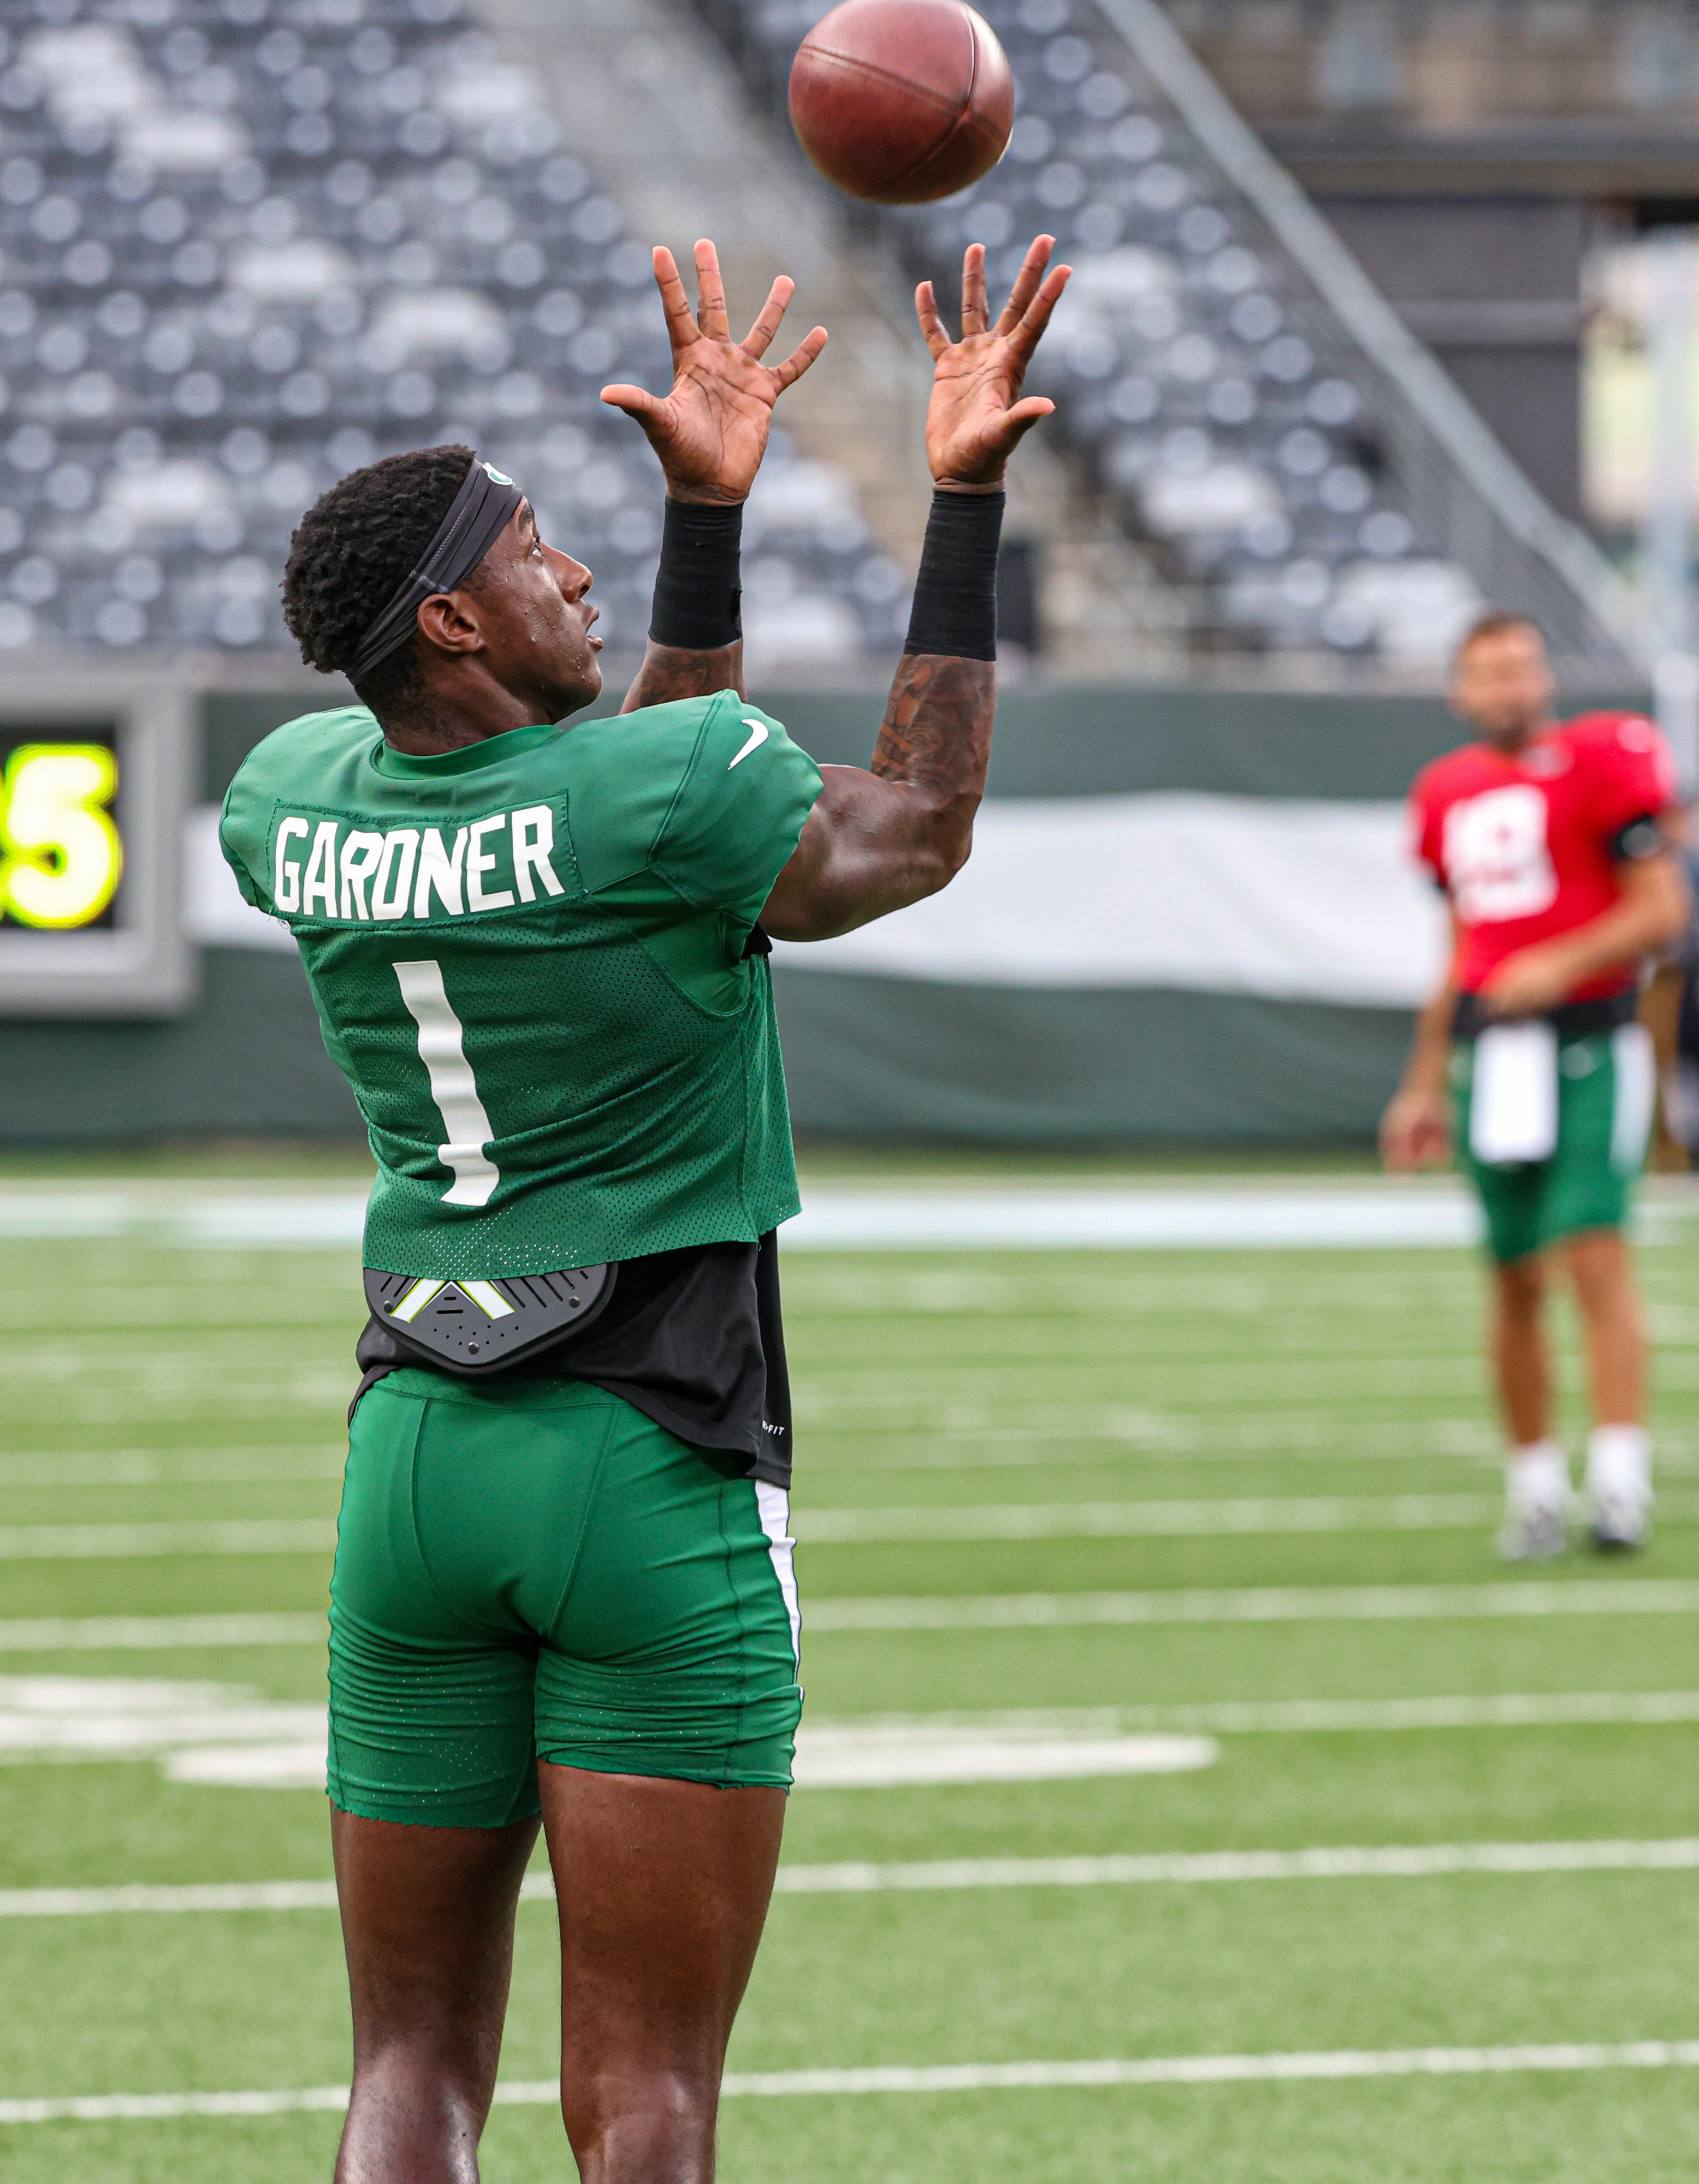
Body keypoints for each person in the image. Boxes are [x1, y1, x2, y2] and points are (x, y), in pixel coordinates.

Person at [219, 232, 1068, 2183]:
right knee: (650, 2101)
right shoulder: (657, 801)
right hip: (647, 1451)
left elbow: (640, 800)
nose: (572, 565)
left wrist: (702, 521)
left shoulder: (286, 799)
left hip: (414, 1457)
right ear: (448, 623)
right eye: (533, 548)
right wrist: (962, 494)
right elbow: (900, 829)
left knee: (409, 2074)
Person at [1381, 612, 1690, 1560]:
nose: (1511, 687)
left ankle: (1621, 1485)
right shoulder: (1446, 792)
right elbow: (1461, 947)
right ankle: (1535, 1490)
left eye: (1524, 666)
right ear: (1459, 692)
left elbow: (1664, 907)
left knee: (1593, 1256)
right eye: (1491, 672)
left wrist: (1559, 964)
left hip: (1592, 1041)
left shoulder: (1603, 758)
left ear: (1545, 677)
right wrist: (1424, 1079)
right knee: (1511, 1273)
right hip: (1492, 1055)